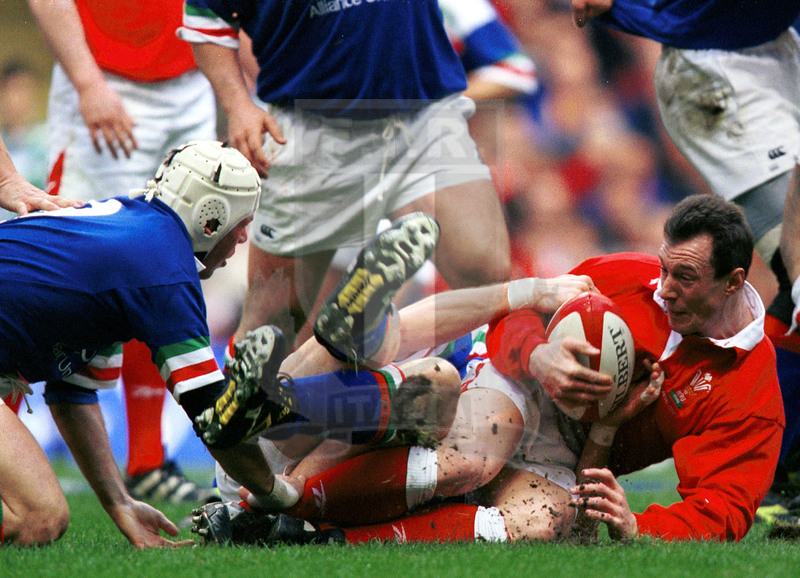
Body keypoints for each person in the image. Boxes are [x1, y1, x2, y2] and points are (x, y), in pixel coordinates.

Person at [191, 194, 782, 545]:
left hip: (567, 453)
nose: (663, 287)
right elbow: (528, 310)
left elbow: (723, 509)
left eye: (684, 278)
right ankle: (278, 479)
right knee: (466, 448)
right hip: (514, 387)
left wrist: (639, 525)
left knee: (550, 520)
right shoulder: (628, 275)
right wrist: (542, 356)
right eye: (663, 268)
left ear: (733, 282)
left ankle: (312, 525)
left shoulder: (750, 392)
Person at [179, 0, 513, 359]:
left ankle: (478, 388)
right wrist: (237, 105)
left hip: (423, 111)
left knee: (487, 275)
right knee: (272, 323)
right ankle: (240, 406)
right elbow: (205, 12)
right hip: (310, 127)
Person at [568, 0, 800, 515]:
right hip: (721, 70)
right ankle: (778, 476)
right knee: (798, 275)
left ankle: (777, 471)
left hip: (778, 52)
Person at [27, 0, 220, 504]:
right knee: (71, 265)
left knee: (171, 267)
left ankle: (147, 460)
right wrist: (87, 82)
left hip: (193, 73)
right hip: (105, 79)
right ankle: (14, 465)